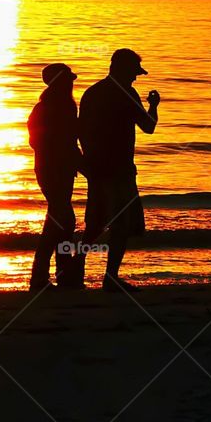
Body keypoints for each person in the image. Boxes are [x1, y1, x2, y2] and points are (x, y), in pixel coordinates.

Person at [78, 49, 159, 292]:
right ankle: (110, 277)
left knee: (94, 224)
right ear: (124, 70)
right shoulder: (126, 93)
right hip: (120, 169)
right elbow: (148, 126)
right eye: (134, 73)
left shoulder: (91, 93)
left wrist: (88, 161)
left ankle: (75, 269)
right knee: (120, 225)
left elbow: (80, 131)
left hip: (96, 168)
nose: (135, 78)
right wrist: (153, 105)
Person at [27, 63, 84, 291]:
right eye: (68, 79)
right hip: (53, 170)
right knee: (61, 222)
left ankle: (60, 276)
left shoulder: (59, 106)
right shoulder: (52, 107)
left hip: (57, 169)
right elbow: (40, 140)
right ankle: (42, 278)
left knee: (60, 222)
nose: (71, 83)